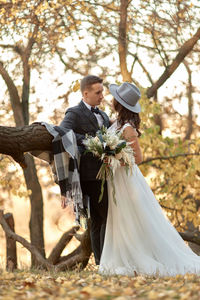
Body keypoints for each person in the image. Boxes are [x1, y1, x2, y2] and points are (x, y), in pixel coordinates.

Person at [99, 82, 200, 276]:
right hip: (117, 180)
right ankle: (123, 255)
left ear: (119, 103)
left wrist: (113, 160)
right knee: (122, 218)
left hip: (127, 180)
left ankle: (141, 256)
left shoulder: (128, 128)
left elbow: (138, 158)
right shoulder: (116, 123)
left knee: (133, 217)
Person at [60, 75, 110, 265]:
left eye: (102, 92)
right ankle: (105, 261)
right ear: (85, 93)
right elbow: (63, 131)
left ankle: (101, 263)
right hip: (89, 176)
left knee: (98, 220)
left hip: (106, 175)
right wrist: (90, 141)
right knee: (105, 218)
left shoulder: (103, 115)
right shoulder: (74, 113)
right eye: (98, 93)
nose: (101, 96)